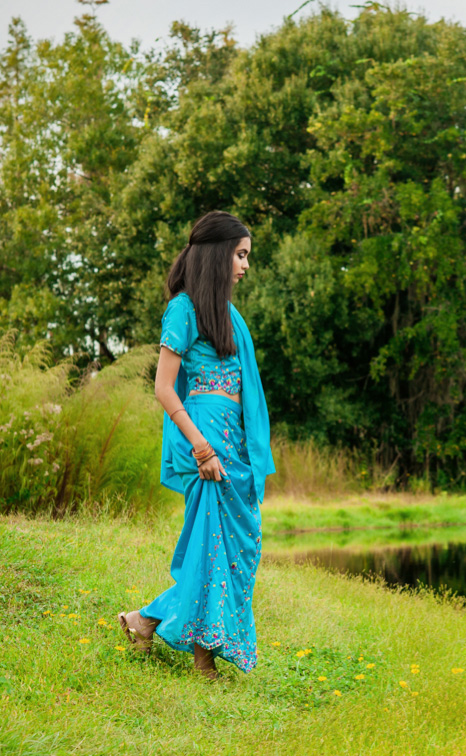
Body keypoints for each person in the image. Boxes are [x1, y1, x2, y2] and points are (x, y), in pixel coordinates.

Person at [117, 210, 276, 680]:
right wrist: (201, 447)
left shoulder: (229, 316)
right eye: (241, 255)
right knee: (211, 547)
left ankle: (143, 622)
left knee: (237, 550)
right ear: (217, 253)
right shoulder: (182, 310)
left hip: (236, 440)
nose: (245, 265)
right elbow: (164, 388)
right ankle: (200, 656)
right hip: (205, 435)